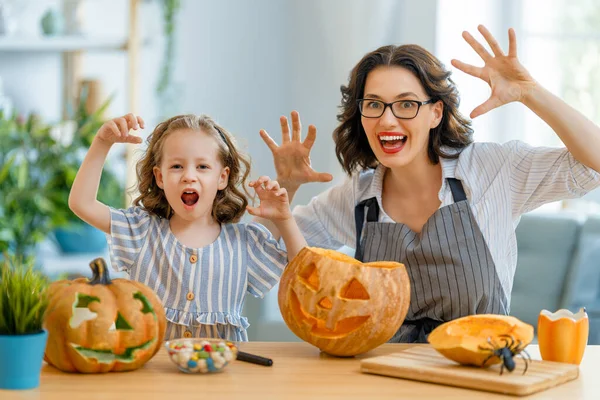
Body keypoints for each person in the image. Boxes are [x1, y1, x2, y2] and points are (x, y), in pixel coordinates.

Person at [257, 25, 600, 343]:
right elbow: (262, 255)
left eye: (406, 104)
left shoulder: (491, 170)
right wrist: (286, 185)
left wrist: (530, 92)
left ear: (435, 113)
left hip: (480, 377)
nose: (387, 119)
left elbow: (593, 166)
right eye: (374, 104)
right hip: (382, 377)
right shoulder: (357, 196)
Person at [69, 113, 307, 341]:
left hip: (223, 378)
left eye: (202, 167)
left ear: (222, 178)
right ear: (159, 177)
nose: (189, 176)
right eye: (176, 167)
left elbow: (307, 275)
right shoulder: (141, 231)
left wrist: (284, 219)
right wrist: (102, 142)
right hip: (149, 376)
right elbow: (82, 204)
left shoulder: (244, 243)